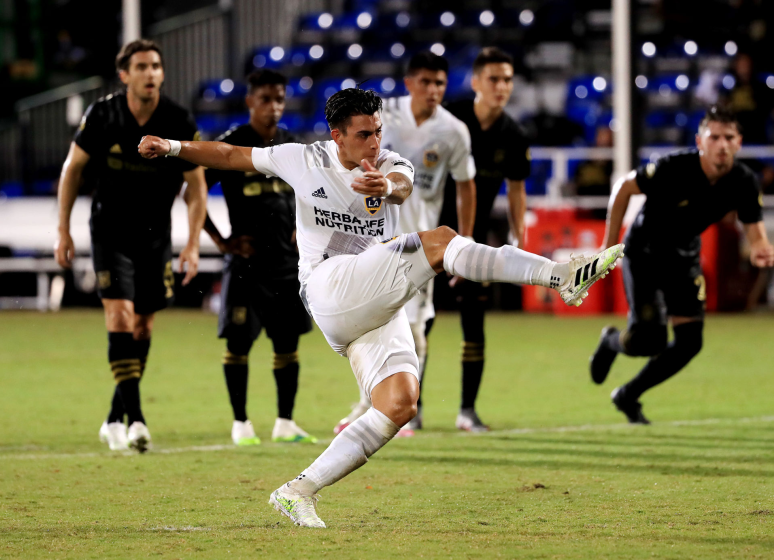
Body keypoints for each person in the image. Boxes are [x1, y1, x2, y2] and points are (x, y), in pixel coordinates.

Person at [138, 87, 623, 528]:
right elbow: (227, 154)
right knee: (441, 241)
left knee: (399, 403)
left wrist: (387, 187)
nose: (374, 143)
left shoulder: (392, 162)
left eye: (378, 132)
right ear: (337, 137)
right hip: (327, 288)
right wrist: (174, 148)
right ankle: (558, 276)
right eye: (364, 134)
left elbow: (403, 184)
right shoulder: (301, 159)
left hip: (369, 299)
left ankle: (297, 490)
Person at [54, 39, 207, 452]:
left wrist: (192, 243)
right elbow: (72, 170)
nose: (151, 73)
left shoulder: (176, 118)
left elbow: (196, 185)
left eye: (156, 65)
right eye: (141, 66)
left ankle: (112, 418)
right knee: (120, 317)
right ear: (125, 75)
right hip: (109, 232)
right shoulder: (102, 115)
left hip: (155, 238)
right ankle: (137, 420)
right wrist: (63, 230)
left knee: (142, 327)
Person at [589, 106, 774, 424]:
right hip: (644, 253)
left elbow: (754, 228)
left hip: (683, 258)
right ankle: (610, 341)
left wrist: (760, 247)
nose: (722, 144)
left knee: (690, 342)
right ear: (699, 141)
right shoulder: (674, 167)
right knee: (649, 341)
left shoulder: (743, 181)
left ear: (739, 142)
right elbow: (623, 187)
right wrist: (609, 246)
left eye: (728, 137)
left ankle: (627, 395)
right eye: (714, 137)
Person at [333, 51, 476, 437]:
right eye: (426, 82)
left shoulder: (454, 132)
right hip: (369, 237)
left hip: (418, 243)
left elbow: (465, 185)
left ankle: (393, 410)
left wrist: (464, 241)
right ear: (410, 82)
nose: (433, 90)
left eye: (440, 83)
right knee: (367, 324)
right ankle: (375, 407)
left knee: (414, 328)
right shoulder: (379, 117)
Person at [202, 69, 315, 445]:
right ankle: (241, 423)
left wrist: (305, 227)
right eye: (266, 99)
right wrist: (221, 240)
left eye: (280, 99)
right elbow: (193, 191)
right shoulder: (234, 144)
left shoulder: (290, 145)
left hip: (287, 265)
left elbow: (311, 194)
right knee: (238, 344)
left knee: (288, 344)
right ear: (250, 101)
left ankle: (285, 422)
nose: (274, 107)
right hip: (246, 269)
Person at [441, 47, 532, 431]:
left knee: (474, 325)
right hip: (431, 236)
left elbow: (516, 191)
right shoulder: (449, 121)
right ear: (476, 82)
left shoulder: (513, 134)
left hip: (473, 243)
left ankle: (467, 411)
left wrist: (521, 240)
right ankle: (414, 408)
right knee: (418, 325)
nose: (502, 86)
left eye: (508, 79)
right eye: (494, 79)